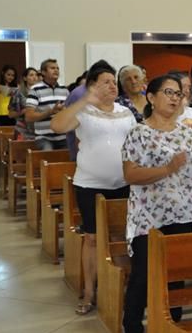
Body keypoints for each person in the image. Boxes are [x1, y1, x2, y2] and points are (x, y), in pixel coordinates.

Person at [120, 74, 192, 333]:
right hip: (148, 216)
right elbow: (131, 174)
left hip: (184, 211)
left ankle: (170, 326)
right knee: (142, 275)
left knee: (176, 274)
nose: (175, 98)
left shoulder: (187, 132)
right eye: (168, 92)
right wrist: (167, 169)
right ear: (151, 97)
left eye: (178, 93)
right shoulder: (138, 132)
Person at [50, 60, 135, 315]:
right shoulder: (83, 112)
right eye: (105, 82)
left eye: (113, 81)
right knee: (92, 238)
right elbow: (57, 126)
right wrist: (85, 100)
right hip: (90, 184)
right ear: (92, 87)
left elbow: (136, 143)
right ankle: (89, 292)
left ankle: (120, 289)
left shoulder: (125, 112)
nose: (112, 85)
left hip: (123, 183)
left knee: (121, 237)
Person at [24, 59, 69, 150]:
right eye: (52, 68)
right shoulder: (35, 90)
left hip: (63, 136)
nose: (56, 70)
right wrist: (50, 112)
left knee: (73, 155)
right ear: (43, 72)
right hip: (44, 138)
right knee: (47, 152)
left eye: (57, 68)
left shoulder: (64, 89)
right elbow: (28, 117)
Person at [8, 67, 40, 141]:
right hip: (23, 129)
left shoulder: (41, 92)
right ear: (25, 78)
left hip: (38, 129)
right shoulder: (19, 93)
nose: (34, 77)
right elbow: (11, 114)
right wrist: (23, 111)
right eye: (31, 75)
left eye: (36, 75)